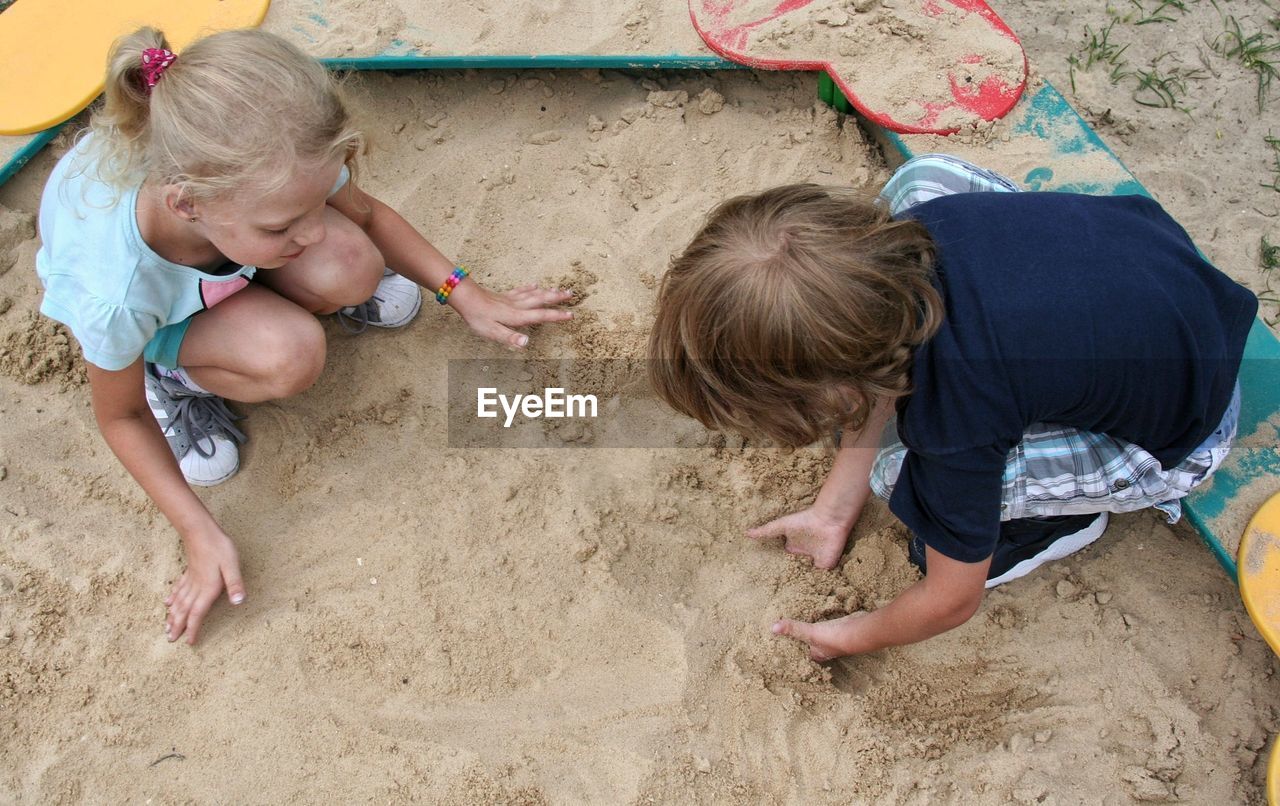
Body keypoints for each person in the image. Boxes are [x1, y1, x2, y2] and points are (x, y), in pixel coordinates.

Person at [35, 28, 572, 645]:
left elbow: (365, 215)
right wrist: (197, 531)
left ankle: (269, 280)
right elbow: (119, 416)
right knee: (291, 356)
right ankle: (178, 376)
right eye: (286, 223)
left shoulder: (273, 150)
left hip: (225, 250)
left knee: (354, 263)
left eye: (319, 202)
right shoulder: (116, 291)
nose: (315, 230)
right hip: (164, 310)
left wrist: (463, 291)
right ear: (187, 205)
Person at [648, 154, 1256, 661]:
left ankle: (1052, 528)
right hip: (1164, 271)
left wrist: (849, 635)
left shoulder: (956, 417)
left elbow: (950, 600)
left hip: (1187, 431)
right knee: (924, 173)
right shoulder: (919, 228)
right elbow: (875, 373)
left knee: (901, 476)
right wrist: (834, 508)